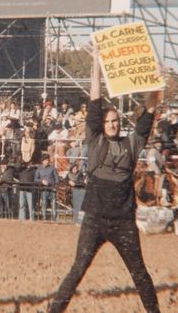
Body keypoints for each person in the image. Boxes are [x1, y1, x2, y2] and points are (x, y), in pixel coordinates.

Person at [49, 49, 161, 313]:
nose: (111, 124)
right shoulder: (95, 140)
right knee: (78, 269)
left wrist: (151, 77)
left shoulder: (132, 143)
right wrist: (97, 63)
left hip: (123, 223)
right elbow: (95, 96)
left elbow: (151, 108)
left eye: (115, 120)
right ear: (101, 124)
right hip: (95, 220)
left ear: (120, 123)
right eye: (107, 121)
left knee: (139, 273)